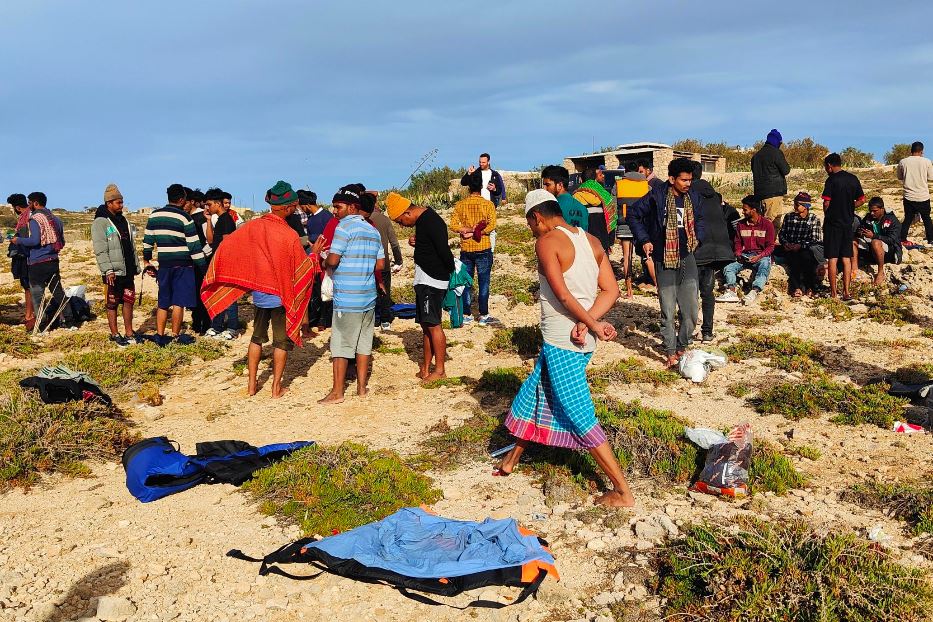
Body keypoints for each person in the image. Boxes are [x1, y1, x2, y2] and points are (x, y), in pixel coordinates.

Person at [494, 189, 634, 508]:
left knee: (579, 413)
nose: (531, 230)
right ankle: (510, 460)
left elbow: (563, 296)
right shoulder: (592, 241)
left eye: (530, 224)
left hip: (562, 340)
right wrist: (590, 322)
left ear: (537, 217)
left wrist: (591, 323)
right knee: (539, 391)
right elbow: (611, 291)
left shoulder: (546, 242)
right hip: (581, 337)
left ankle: (622, 491)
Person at [202, 181, 320, 398]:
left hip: (259, 295)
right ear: (285, 207)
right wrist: (314, 256)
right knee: (280, 342)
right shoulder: (288, 234)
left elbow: (227, 246)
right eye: (293, 205)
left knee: (256, 339)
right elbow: (301, 268)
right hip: (280, 296)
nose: (295, 209)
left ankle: (251, 385)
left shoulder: (252, 227)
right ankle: (276, 388)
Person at [628, 158, 705, 367]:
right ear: (672, 179)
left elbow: (700, 220)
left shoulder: (694, 198)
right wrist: (644, 239)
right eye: (684, 180)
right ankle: (670, 351)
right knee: (668, 309)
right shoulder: (657, 195)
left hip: (687, 257)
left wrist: (699, 238)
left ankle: (682, 346)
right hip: (663, 258)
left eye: (690, 180)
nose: (688, 184)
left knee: (690, 310)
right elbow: (633, 214)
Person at [318, 185, 385, 404]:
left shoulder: (343, 228)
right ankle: (362, 388)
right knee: (364, 344)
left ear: (351, 207)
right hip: (368, 295)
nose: (334, 211)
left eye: (338, 206)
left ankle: (337, 392)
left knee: (340, 345)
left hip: (348, 297)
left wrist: (324, 259)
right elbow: (381, 264)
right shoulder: (372, 230)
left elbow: (334, 260)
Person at [386, 192, 455, 383]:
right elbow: (432, 245)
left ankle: (439, 370)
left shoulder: (431, 221)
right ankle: (425, 367)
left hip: (431, 280)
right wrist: (417, 242)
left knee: (433, 325)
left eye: (400, 221)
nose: (401, 225)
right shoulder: (425, 222)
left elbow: (443, 250)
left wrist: (450, 271)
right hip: (425, 279)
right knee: (426, 326)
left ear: (407, 213)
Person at [142, 184, 208, 345]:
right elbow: (194, 247)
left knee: (163, 302)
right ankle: (175, 335)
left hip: (164, 265)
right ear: (181, 199)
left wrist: (147, 260)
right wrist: (204, 268)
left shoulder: (154, 216)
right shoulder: (185, 218)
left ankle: (159, 334)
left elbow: (148, 241)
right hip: (183, 266)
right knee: (179, 302)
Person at [691, 162, 739, 341]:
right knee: (707, 291)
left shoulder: (689, 194)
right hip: (717, 249)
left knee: (690, 291)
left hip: (698, 248)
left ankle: (687, 331)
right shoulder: (713, 195)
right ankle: (707, 331)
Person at [11, 191, 72, 331]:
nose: (28, 206)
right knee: (58, 292)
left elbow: (34, 240)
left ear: (35, 203)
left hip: (38, 261)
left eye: (29, 203)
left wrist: (18, 240)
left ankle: (41, 324)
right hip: (53, 260)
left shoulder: (35, 219)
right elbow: (61, 241)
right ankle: (69, 320)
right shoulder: (56, 219)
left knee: (37, 295)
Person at [91, 184, 140, 346]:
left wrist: (136, 265)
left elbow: (131, 245)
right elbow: (100, 249)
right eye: (118, 202)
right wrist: (107, 269)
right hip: (112, 271)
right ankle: (114, 333)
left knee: (128, 300)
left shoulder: (124, 220)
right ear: (109, 203)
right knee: (112, 303)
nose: (121, 205)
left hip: (128, 269)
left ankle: (129, 331)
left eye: (122, 202)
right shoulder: (101, 222)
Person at [451, 170, 497, 326]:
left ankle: (466, 314)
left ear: (468, 187)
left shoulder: (460, 205)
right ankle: (483, 314)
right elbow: (492, 225)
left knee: (466, 283)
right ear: (482, 186)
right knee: (484, 282)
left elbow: (453, 225)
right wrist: (478, 231)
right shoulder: (488, 204)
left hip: (466, 249)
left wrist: (466, 230)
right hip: (483, 247)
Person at [821, 152, 866, 299]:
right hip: (848, 223)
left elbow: (826, 202)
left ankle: (833, 293)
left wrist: (827, 214)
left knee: (832, 259)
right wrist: (851, 207)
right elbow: (862, 200)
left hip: (833, 224)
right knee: (846, 258)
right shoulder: (853, 179)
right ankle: (846, 292)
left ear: (829, 165)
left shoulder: (831, 180)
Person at [716, 196, 775, 306]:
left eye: (745, 209)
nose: (743, 212)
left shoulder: (767, 225)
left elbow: (770, 246)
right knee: (728, 268)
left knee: (763, 268)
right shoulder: (741, 224)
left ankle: (754, 291)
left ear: (754, 210)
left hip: (760, 256)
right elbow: (737, 243)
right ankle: (731, 290)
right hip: (745, 255)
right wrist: (738, 254)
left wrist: (759, 256)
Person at [203, 188, 240, 339]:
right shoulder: (218, 220)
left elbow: (228, 245)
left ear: (217, 204)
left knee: (230, 297)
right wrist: (207, 220)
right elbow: (211, 241)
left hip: (226, 265)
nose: (207, 207)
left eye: (209, 204)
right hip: (218, 263)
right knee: (218, 295)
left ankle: (232, 328)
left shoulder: (227, 221)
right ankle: (216, 327)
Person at [366, 191, 403, 330]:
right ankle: (385, 320)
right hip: (384, 263)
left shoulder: (363, 220)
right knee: (385, 291)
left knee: (370, 292)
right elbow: (394, 243)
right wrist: (399, 260)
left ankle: (373, 319)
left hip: (368, 263)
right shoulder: (384, 220)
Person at [779, 191, 823, 298]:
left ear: (805, 206)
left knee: (808, 260)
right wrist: (785, 243)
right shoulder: (789, 217)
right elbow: (782, 234)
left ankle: (810, 287)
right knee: (793, 262)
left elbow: (815, 239)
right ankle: (796, 288)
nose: (795, 206)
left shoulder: (814, 219)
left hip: (805, 248)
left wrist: (801, 245)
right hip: (790, 248)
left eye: (797, 204)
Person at [615, 172, 652, 298]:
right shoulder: (646, 186)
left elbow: (614, 205)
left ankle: (629, 291)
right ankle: (658, 285)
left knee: (627, 257)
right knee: (647, 256)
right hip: (641, 225)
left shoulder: (618, 185)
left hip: (624, 223)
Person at [855, 197, 902, 285]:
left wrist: (874, 236)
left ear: (882, 209)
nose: (872, 213)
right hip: (872, 247)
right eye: (871, 211)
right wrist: (860, 232)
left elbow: (892, 240)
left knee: (875, 242)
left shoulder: (892, 220)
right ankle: (854, 269)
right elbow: (861, 227)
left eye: (875, 211)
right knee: (853, 242)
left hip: (889, 250)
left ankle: (880, 272)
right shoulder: (869, 218)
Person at [751, 129, 791, 229]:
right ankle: (769, 244)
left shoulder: (756, 156)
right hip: (774, 194)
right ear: (777, 141)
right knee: (772, 224)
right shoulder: (776, 153)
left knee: (761, 222)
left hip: (759, 194)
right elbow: (786, 170)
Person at [6, 193, 35, 330]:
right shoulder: (29, 215)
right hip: (29, 256)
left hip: (26, 257)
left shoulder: (26, 218)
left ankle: (30, 315)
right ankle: (30, 313)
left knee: (28, 286)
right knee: (29, 286)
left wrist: (14, 239)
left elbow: (25, 239)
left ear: (17, 207)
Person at [896, 141, 933, 245]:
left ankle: (902, 238)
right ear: (921, 151)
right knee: (926, 218)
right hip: (923, 195)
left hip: (909, 195)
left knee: (908, 218)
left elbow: (899, 176)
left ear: (911, 150)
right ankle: (931, 238)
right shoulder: (926, 161)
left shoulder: (903, 162)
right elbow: (931, 177)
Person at [573, 168, 615, 251]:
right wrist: (610, 240)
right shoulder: (604, 195)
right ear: (595, 179)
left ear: (581, 180)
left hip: (585, 237)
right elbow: (611, 216)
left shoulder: (576, 195)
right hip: (603, 237)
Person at [541, 165, 587, 230]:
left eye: (548, 185)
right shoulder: (583, 208)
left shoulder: (552, 208)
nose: (545, 189)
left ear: (560, 185)